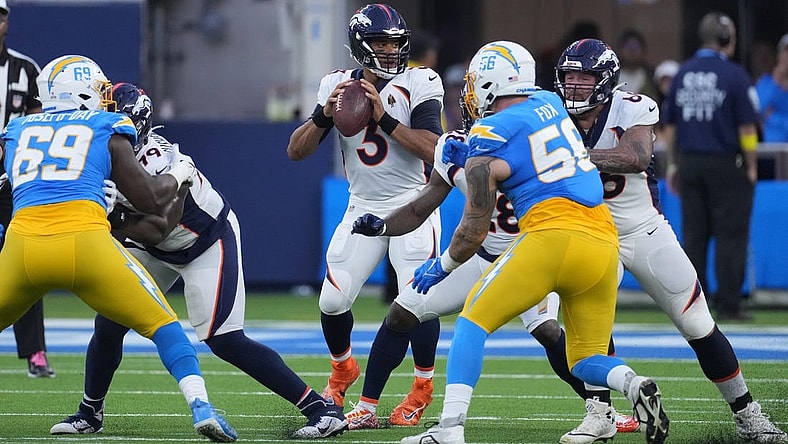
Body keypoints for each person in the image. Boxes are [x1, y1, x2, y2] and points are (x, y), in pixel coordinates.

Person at [401, 40, 669, 444]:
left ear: (490, 83)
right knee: (584, 359)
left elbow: (474, 226)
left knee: (472, 323)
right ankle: (632, 384)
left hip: (551, 234)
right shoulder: (551, 103)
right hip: (601, 239)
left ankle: (449, 429)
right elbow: (526, 146)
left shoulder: (487, 134)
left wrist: (443, 267)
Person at [50, 83, 346, 439]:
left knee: (225, 340)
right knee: (111, 321)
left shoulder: (159, 161)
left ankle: (321, 409)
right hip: (153, 246)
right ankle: (89, 413)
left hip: (204, 240)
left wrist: (116, 219)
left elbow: (160, 228)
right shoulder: (97, 159)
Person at [344, 87, 638, 436]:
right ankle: (367, 406)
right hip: (478, 256)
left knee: (547, 330)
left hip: (529, 253)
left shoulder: (522, 141)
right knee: (402, 310)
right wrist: (383, 225)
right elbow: (420, 206)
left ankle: (602, 410)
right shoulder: (453, 147)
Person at [553, 38, 787, 444]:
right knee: (589, 332)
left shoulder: (633, 106)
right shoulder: (549, 114)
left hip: (642, 230)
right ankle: (600, 413)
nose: (574, 85)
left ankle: (749, 414)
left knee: (697, 323)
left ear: (605, 79)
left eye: (584, 76)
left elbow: (636, 156)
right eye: (569, 76)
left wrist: (570, 158)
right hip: (589, 235)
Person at [0, 54, 236, 442]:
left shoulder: (17, 128)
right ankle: (200, 406)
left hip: (23, 247)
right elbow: (149, 200)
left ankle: (91, 412)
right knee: (164, 326)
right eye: (97, 90)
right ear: (78, 93)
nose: (104, 98)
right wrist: (180, 172)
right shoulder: (104, 123)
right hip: (85, 244)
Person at [285, 3, 444, 419]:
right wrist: (323, 114)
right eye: (379, 41)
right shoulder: (336, 84)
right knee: (333, 301)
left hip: (415, 202)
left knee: (416, 301)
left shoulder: (421, 81)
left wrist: (385, 119)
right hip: (363, 204)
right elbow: (296, 151)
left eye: (394, 41)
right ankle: (342, 370)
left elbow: (434, 148)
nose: (390, 50)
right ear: (359, 44)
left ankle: (422, 385)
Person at [663, 11, 760, 321]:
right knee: (730, 235)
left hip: (690, 162)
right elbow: (747, 129)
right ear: (725, 39)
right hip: (725, 163)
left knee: (694, 235)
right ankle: (729, 304)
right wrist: (752, 165)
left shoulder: (682, 74)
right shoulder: (734, 75)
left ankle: (693, 305)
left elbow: (671, 126)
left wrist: (674, 166)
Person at [0, 0, 53, 378]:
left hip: (13, 181)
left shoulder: (25, 68)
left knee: (27, 260)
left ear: (7, 20)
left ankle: (34, 351)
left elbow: (40, 123)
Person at [755, 33, 788, 142]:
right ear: (779, 55)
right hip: (771, 151)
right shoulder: (765, 83)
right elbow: (758, 112)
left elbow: (767, 118)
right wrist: (776, 81)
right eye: (786, 51)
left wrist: (773, 118)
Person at [617, 28, 658, 98]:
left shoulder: (653, 76)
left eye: (636, 47)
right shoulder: (611, 76)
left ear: (644, 51)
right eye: (628, 46)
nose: (632, 51)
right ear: (620, 50)